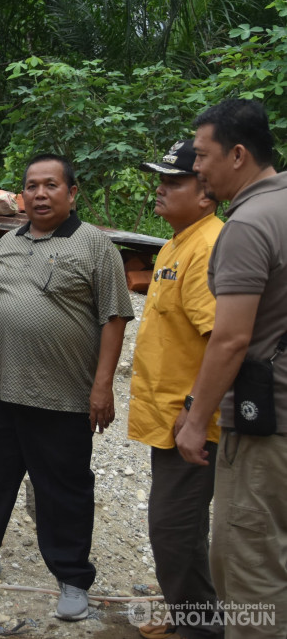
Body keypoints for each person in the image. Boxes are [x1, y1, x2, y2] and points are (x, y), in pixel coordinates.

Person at [0, 154, 133, 621]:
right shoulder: (7, 242)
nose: (40, 194)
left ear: (72, 193)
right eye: (31, 186)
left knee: (63, 489)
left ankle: (71, 577)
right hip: (0, 389)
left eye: (50, 185)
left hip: (63, 395)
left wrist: (102, 386)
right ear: (21, 195)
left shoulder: (95, 247)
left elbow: (115, 317)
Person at [176, 99, 287, 639]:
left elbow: (231, 337)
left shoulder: (248, 224)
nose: (196, 167)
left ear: (237, 154)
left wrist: (197, 418)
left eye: (202, 155)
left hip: (267, 428)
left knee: (251, 574)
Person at [127, 140, 223, 639]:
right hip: (172, 421)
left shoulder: (207, 248)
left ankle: (200, 629)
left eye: (173, 181)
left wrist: (193, 413)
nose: (160, 189)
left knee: (174, 530)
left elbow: (222, 341)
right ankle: (191, 615)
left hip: (193, 424)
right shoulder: (176, 243)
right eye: (159, 179)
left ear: (206, 193)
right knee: (179, 530)